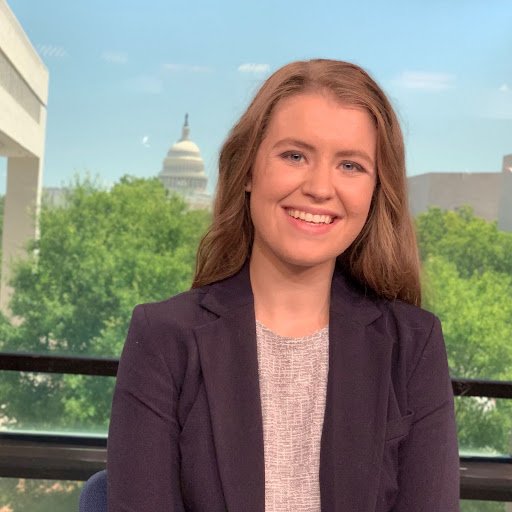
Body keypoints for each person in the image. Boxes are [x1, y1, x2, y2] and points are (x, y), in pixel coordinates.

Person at [107, 59, 460, 511]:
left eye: (350, 165)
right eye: (295, 155)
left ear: (375, 192)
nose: (319, 187)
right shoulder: (163, 338)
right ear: (249, 170)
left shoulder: (413, 345)